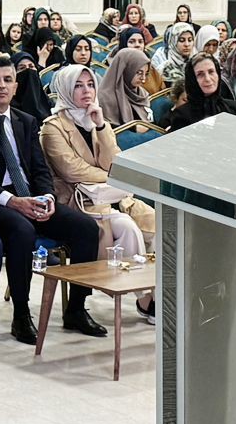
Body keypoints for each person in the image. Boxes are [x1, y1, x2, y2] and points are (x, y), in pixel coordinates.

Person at [0, 56, 107, 346]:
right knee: (22, 230)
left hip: (31, 196)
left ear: (16, 86)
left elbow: (40, 168)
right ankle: (21, 314)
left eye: (7, 80)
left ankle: (76, 309)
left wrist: (47, 197)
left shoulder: (26, 121)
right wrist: (13, 202)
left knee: (87, 229)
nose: (2, 86)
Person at [41, 64, 155, 316]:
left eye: (90, 84)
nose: (86, 91)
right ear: (66, 89)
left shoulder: (96, 119)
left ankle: (156, 293)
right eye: (78, 86)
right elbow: (72, 170)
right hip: (78, 200)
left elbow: (114, 161)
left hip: (112, 197)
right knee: (127, 227)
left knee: (158, 224)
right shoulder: (53, 127)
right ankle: (143, 298)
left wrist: (101, 126)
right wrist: (113, 179)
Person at [165, 54, 236, 132]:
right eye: (200, 74)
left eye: (211, 72)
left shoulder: (234, 108)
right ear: (192, 80)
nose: (208, 79)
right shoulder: (181, 116)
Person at [96, 47, 155, 127]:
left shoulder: (141, 93)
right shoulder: (105, 97)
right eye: (139, 73)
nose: (143, 79)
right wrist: (133, 128)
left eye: (146, 74)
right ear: (124, 70)